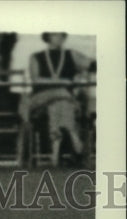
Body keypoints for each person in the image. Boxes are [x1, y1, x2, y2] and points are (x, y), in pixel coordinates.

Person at [27, 32, 95, 167]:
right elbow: (36, 80)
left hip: (63, 102)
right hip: (40, 99)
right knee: (62, 94)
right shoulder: (36, 56)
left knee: (59, 103)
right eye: (54, 35)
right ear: (47, 37)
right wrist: (62, 82)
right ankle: (74, 137)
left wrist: (82, 75)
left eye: (61, 35)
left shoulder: (72, 54)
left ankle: (55, 150)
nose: (58, 38)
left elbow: (92, 65)